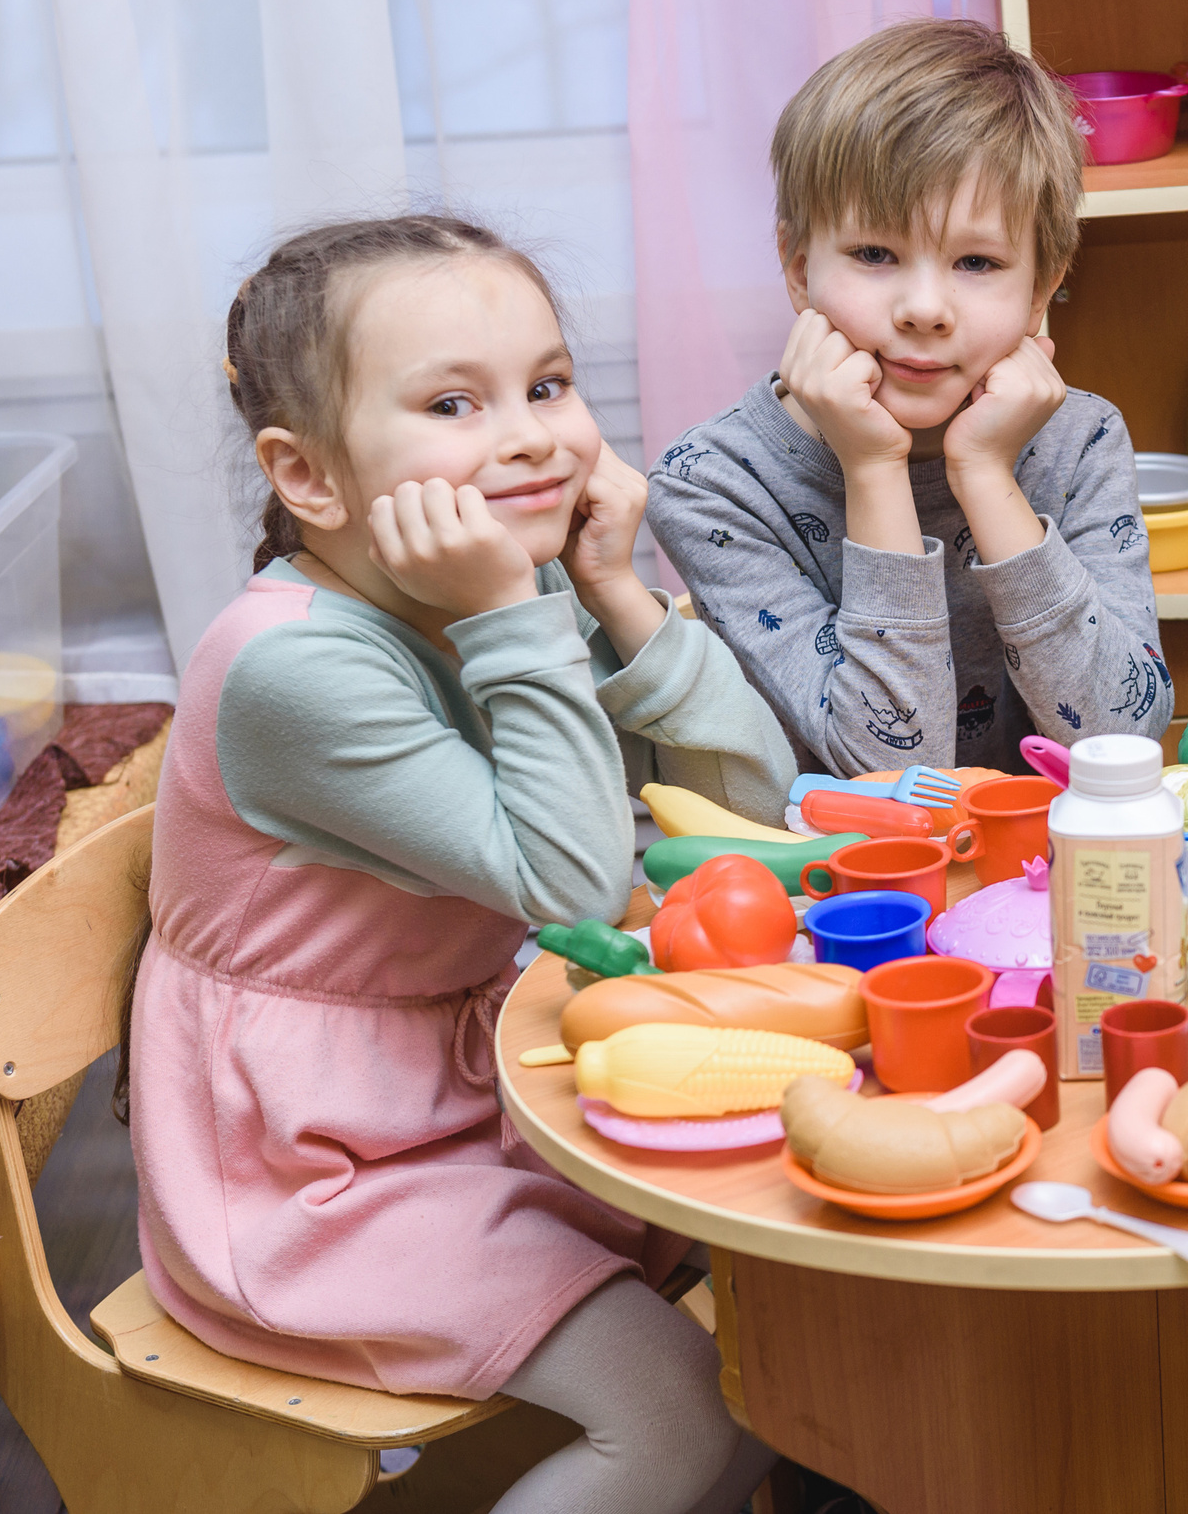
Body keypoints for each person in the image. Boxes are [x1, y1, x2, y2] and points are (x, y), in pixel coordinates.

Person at [129, 215, 794, 1514]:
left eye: (547, 385)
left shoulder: (502, 598)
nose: (535, 433)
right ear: (309, 477)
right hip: (311, 1170)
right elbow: (577, 884)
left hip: (462, 1094)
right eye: (454, 403)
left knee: (790, 1346)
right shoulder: (293, 668)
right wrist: (516, 616)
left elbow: (747, 816)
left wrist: (615, 593)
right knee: (678, 1408)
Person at [648, 18, 1169, 778]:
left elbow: (1122, 742)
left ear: (1042, 292)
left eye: (977, 262)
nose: (925, 308)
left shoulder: (1079, 439)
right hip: (840, 889)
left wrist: (987, 474)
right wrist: (873, 468)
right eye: (874, 254)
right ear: (798, 270)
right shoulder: (713, 483)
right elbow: (892, 773)